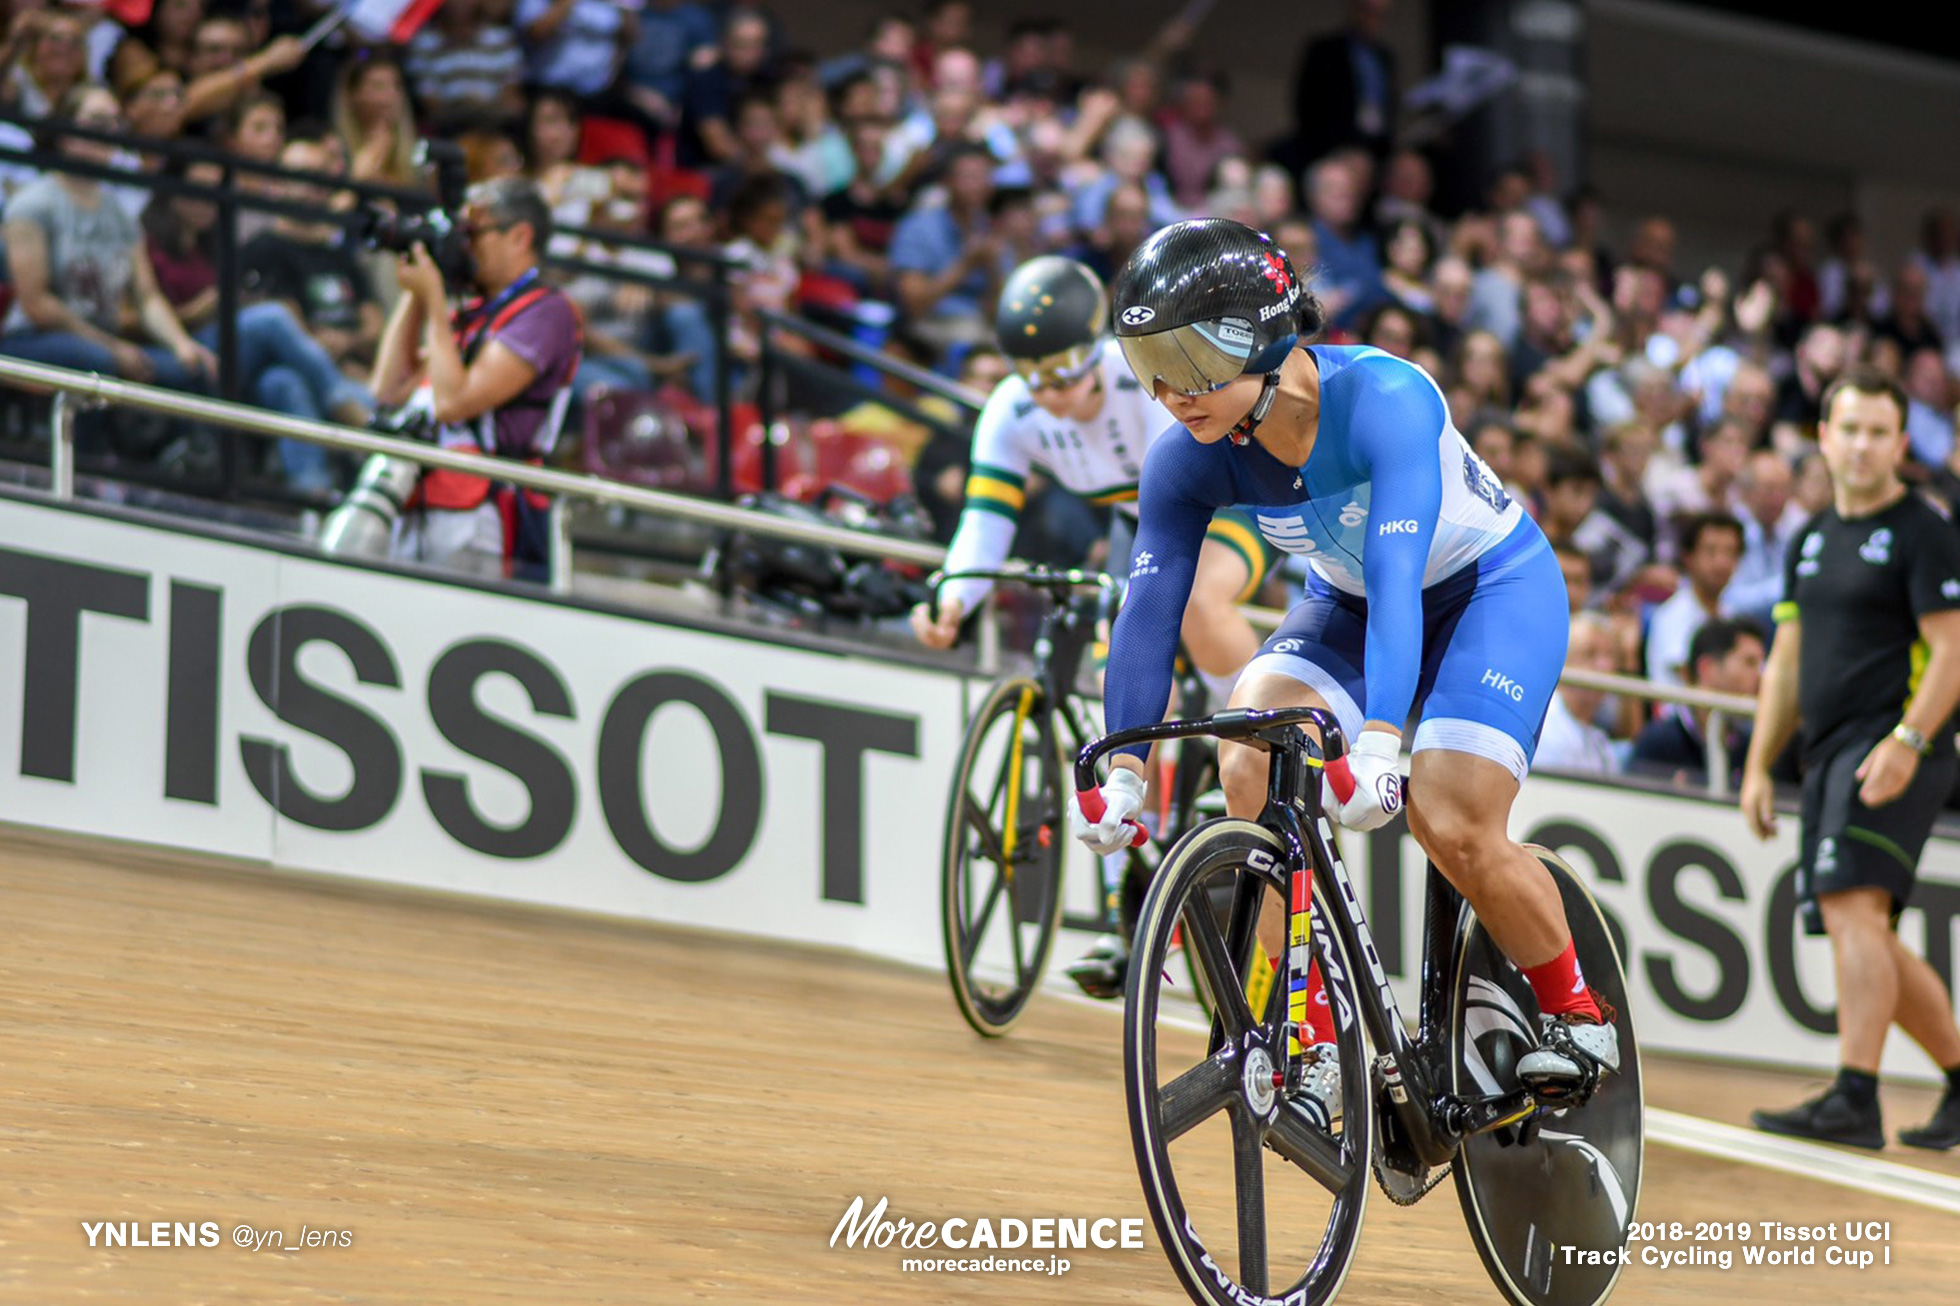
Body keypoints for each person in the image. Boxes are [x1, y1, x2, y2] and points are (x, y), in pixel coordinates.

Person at [1074, 219, 1619, 1126]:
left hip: (1489, 590)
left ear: (1262, 336)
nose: (1168, 393)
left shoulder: (1388, 398)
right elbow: (1149, 607)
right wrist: (1124, 765)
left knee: (1452, 822)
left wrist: (1378, 743)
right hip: (1353, 601)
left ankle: (1574, 1009)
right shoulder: (1186, 454)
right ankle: (1312, 1035)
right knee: (1249, 748)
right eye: (1148, 366)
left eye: (1188, 358)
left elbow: (1403, 578)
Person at [912, 254, 1274, 995]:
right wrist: (953, 596)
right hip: (1141, 522)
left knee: (1200, 606)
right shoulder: (1011, 411)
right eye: (1035, 379)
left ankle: (1249, 735)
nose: (1054, 396)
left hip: (1225, 504)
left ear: (1095, 350)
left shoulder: (1139, 378)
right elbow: (985, 520)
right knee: (1119, 680)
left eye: (1068, 372)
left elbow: (1189, 497)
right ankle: (1137, 890)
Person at [1740, 369, 1960, 1151]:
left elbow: (1952, 651)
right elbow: (1785, 663)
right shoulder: (1810, 538)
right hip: (1831, 753)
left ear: (1901, 445)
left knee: (1852, 911)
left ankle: (1856, 1096)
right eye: (1850, 429)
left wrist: (1909, 741)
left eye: (1879, 432)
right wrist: (1760, 765)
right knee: (1868, 929)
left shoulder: (1924, 531)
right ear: (1824, 439)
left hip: (1897, 744)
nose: (1862, 445)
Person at [371, 177, 584, 582]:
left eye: (473, 233)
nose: (463, 246)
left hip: (489, 515)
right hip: (427, 500)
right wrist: (416, 293)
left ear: (520, 236)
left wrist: (434, 299)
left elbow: (454, 403)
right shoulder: (472, 312)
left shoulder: (547, 312)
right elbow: (387, 389)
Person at [1628, 616, 1763, 790]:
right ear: (1707, 668)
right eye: (1749, 662)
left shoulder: (1751, 748)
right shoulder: (1658, 742)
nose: (1760, 676)